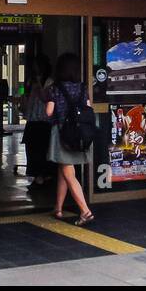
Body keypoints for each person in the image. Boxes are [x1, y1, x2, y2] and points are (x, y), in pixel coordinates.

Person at [45, 52, 95, 226]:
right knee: (63, 171)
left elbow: (49, 112)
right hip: (80, 134)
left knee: (69, 173)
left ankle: (85, 211)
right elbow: (88, 108)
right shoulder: (82, 87)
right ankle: (57, 208)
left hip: (62, 134)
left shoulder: (55, 88)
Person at [21, 53, 54, 185]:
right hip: (32, 118)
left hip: (44, 119)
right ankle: (35, 174)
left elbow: (45, 98)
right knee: (32, 148)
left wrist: (39, 84)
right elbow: (27, 96)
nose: (35, 69)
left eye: (37, 66)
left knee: (42, 148)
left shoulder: (49, 81)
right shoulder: (30, 80)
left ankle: (44, 175)